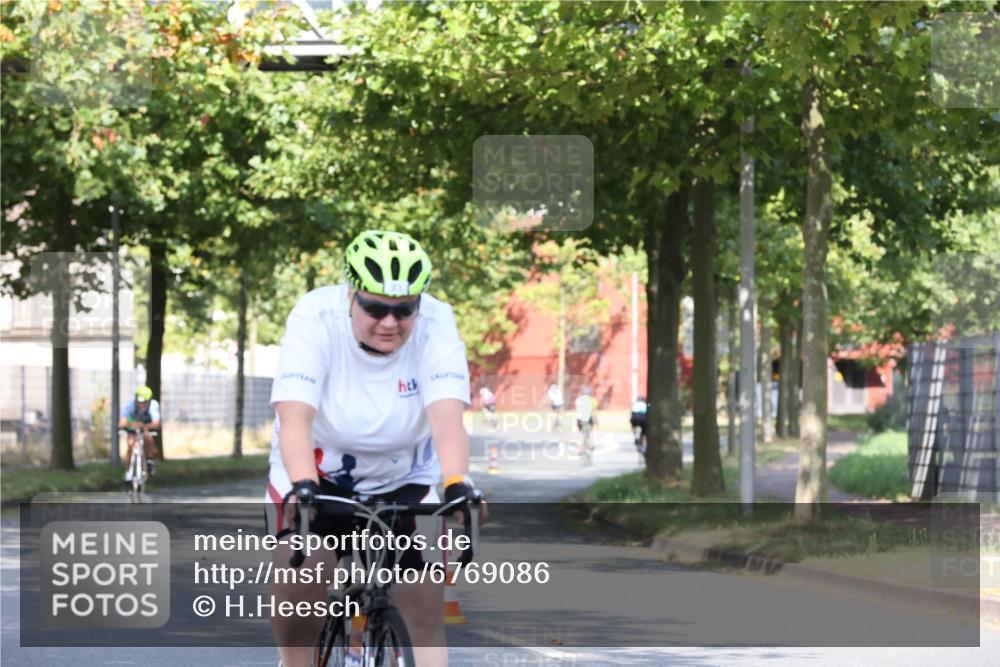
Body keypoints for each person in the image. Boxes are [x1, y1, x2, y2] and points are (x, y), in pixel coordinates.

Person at [264, 229, 484, 667]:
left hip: (407, 474)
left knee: (422, 604)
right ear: (350, 295)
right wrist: (303, 486)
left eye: (404, 310)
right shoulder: (315, 316)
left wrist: (458, 484)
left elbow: (447, 422)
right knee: (304, 576)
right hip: (317, 468)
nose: (390, 322)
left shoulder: (438, 324)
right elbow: (295, 419)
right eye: (375, 308)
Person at [118, 386, 160, 476]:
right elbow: (122, 422)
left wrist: (143, 425)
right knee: (130, 445)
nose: (141, 404)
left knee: (149, 439)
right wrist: (130, 424)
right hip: (132, 429)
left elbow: (156, 423)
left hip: (145, 428)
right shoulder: (131, 405)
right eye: (139, 401)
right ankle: (128, 473)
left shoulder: (153, 405)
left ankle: (150, 461)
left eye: (144, 402)